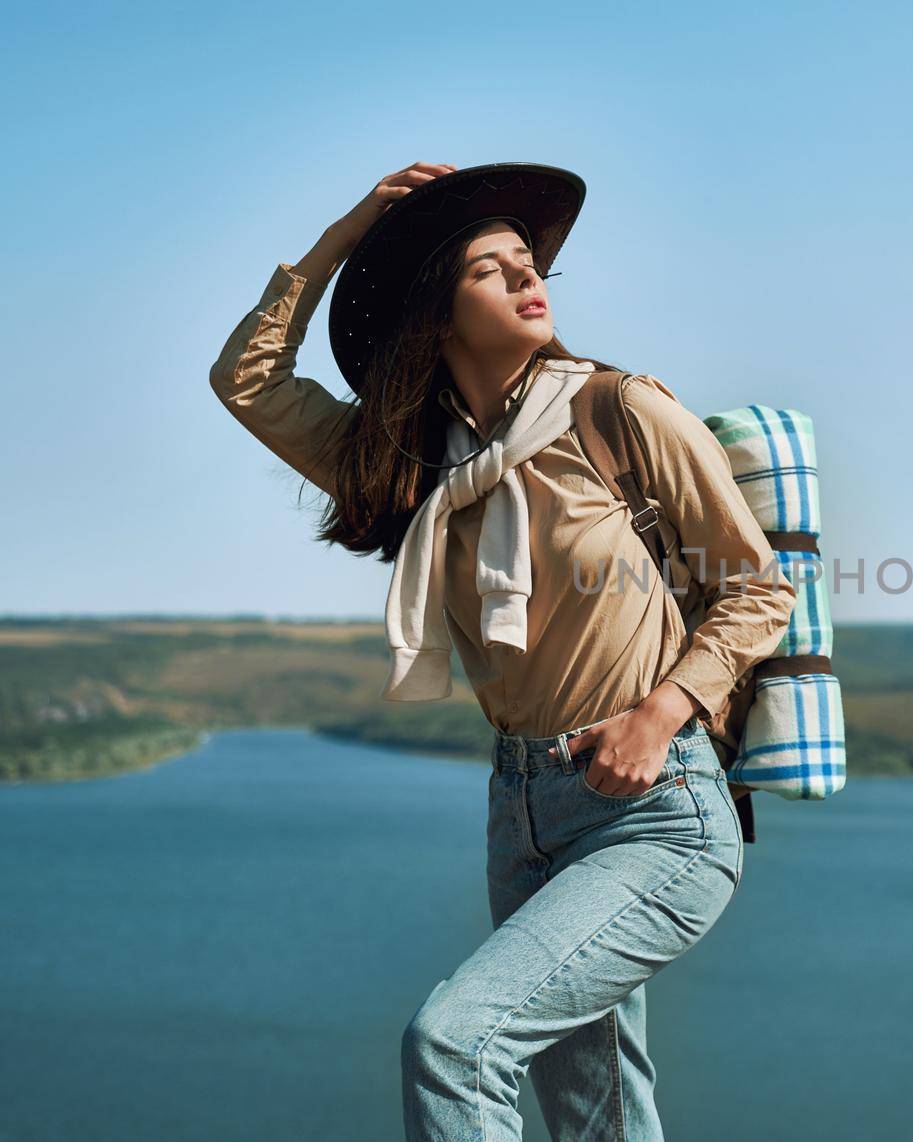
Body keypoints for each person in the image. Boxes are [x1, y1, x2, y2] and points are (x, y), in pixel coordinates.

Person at [207, 160, 797, 1140]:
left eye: (531, 264)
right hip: (523, 808)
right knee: (595, 1108)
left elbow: (756, 583)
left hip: (661, 800)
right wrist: (343, 238)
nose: (530, 279)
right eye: (491, 268)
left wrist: (660, 713)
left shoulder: (621, 411)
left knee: (456, 1039)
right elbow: (248, 379)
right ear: (432, 312)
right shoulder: (410, 462)